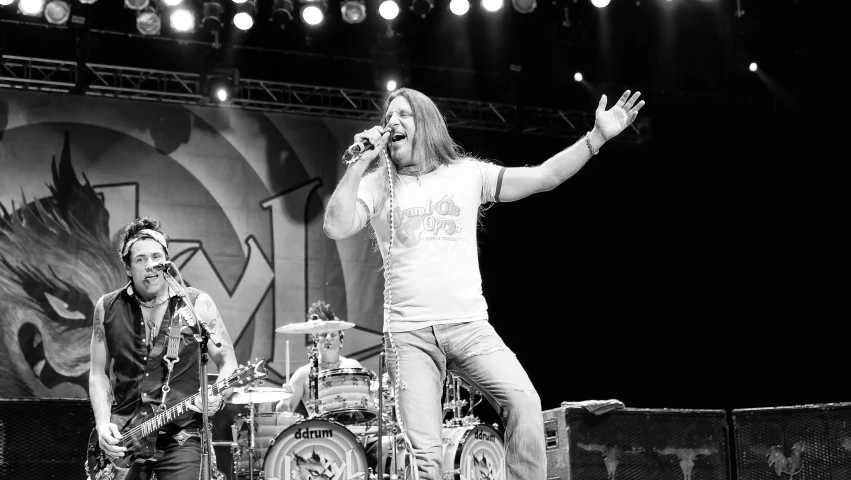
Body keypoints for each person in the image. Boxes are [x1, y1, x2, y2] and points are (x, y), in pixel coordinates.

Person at [322, 87, 645, 480]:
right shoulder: (378, 183)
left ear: (426, 122)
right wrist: (359, 163)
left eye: (403, 115)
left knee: (525, 403)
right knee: (425, 458)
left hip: (469, 327)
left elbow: (545, 177)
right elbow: (336, 225)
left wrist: (597, 138)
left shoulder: (467, 173)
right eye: (388, 116)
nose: (392, 122)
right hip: (409, 337)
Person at [89, 217, 238, 480]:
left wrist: (219, 394)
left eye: (157, 257)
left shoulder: (196, 305)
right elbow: (97, 373)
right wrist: (102, 425)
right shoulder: (106, 308)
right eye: (140, 259)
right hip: (125, 435)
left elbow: (228, 361)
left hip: (182, 434)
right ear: (127, 267)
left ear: (167, 261)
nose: (150, 266)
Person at [275, 300, 362, 414]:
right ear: (316, 340)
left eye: (333, 335)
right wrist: (285, 401)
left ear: (341, 340)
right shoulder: (303, 374)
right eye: (324, 334)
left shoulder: (353, 366)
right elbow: (282, 414)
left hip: (351, 429)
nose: (328, 338)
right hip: (317, 430)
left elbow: (368, 402)